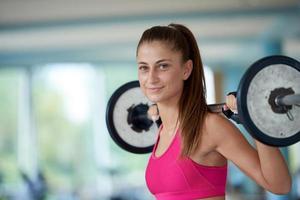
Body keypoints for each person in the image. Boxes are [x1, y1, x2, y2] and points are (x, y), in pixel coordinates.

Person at [136, 23, 291, 200]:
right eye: (144, 67)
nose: (151, 78)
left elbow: (280, 184)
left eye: (162, 66)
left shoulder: (209, 127)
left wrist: (256, 118)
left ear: (186, 70)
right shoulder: (162, 130)